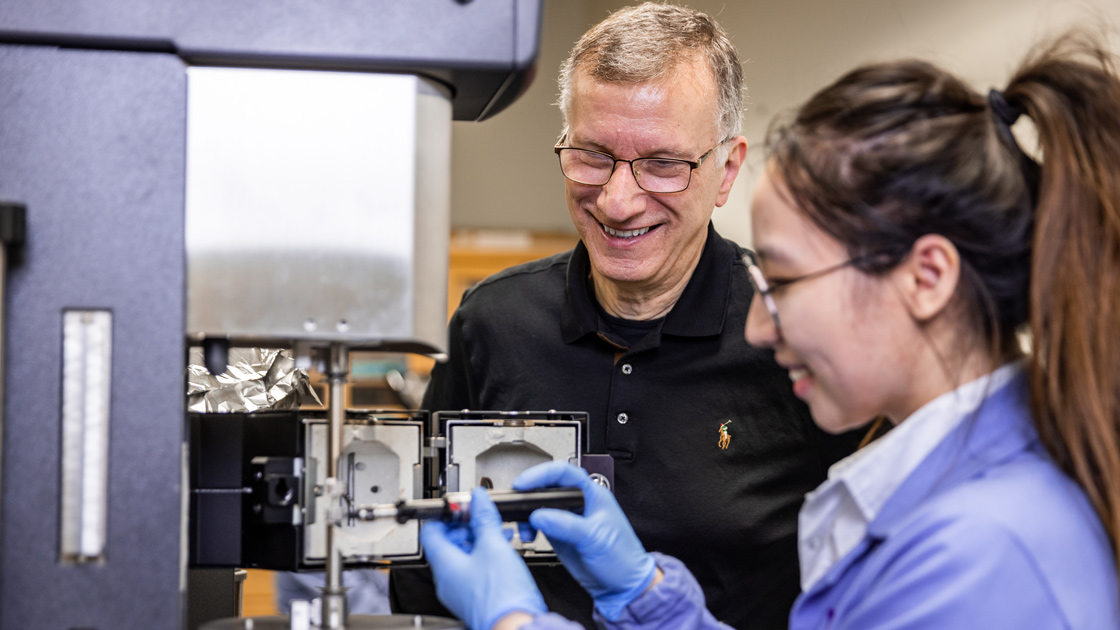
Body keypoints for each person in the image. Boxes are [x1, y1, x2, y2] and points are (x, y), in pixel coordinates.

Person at [418, 30, 1120, 630]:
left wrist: (515, 624)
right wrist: (646, 600)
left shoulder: (980, 551)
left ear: (927, 277)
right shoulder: (955, 503)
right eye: (593, 155)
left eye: (783, 282)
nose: (757, 324)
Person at [389, 3, 863, 629]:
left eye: (664, 164)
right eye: (591, 155)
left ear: (726, 170)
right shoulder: (494, 322)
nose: (617, 199)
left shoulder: (791, 336)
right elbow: (423, 557)